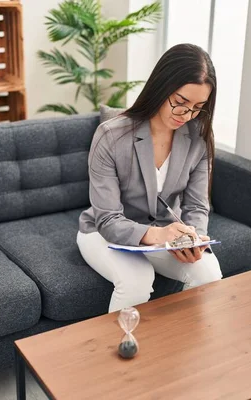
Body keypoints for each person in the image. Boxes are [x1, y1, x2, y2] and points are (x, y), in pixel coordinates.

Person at [77, 43, 223, 313]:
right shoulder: (111, 136)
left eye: (198, 107)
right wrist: (157, 235)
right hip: (103, 232)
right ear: (161, 87)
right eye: (180, 103)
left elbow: (196, 206)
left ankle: (181, 350)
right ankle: (119, 351)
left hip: (165, 234)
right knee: (136, 280)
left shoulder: (198, 138)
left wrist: (194, 239)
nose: (186, 115)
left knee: (209, 273)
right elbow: (108, 218)